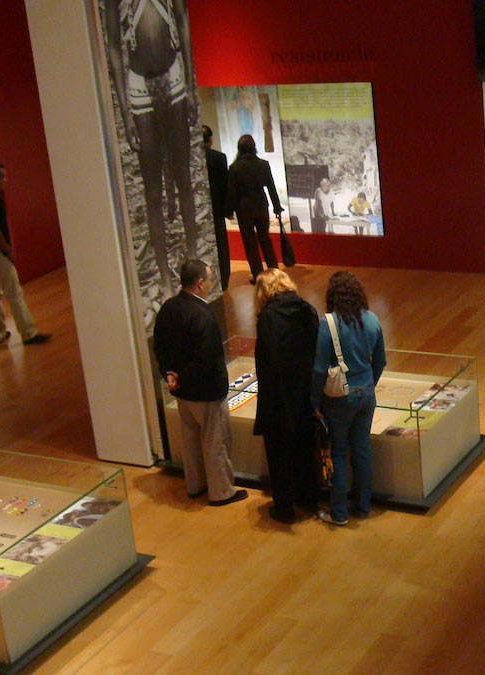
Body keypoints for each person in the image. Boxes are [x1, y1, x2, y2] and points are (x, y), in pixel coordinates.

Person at [99, 0, 199, 293]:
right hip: (139, 86)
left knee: (183, 177)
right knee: (153, 190)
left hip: (174, 76)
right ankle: (166, 278)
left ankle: (194, 255)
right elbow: (115, 48)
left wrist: (192, 87)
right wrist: (126, 112)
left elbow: (182, 22)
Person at [153, 260, 246, 506]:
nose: (212, 282)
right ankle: (221, 492)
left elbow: (160, 347)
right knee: (215, 442)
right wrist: (180, 376)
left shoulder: (169, 308)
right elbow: (206, 359)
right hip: (206, 391)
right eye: (210, 278)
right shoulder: (202, 316)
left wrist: (170, 375)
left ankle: (195, 486)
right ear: (200, 284)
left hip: (182, 392)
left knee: (191, 441)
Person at [311, 271, 385, 526]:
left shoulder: (328, 324)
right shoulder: (373, 319)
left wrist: (315, 401)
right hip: (366, 391)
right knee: (362, 450)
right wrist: (369, 384)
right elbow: (380, 360)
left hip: (338, 397)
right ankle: (363, 506)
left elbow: (320, 368)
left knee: (339, 453)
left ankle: (339, 513)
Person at [252, 268, 320, 523]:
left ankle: (285, 509)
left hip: (279, 398)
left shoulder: (268, 317)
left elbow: (267, 362)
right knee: (304, 448)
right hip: (305, 393)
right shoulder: (307, 309)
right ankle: (309, 498)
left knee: (279, 455)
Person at [0, 164, 50, 345]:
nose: (6, 180)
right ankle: (28, 333)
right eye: (3, 177)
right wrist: (8, 250)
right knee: (14, 294)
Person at [227, 134, 283, 284]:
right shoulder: (263, 164)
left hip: (244, 207)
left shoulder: (235, 167)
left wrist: (229, 210)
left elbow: (232, 191)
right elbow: (271, 187)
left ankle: (258, 275)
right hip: (261, 204)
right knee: (265, 238)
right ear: (254, 147)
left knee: (249, 242)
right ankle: (274, 271)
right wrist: (277, 207)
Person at [202, 125, 232, 290]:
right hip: (217, 208)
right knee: (221, 246)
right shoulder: (219, 158)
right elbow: (225, 184)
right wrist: (228, 209)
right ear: (211, 139)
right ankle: (224, 279)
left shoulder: (191, 158)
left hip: (200, 210)